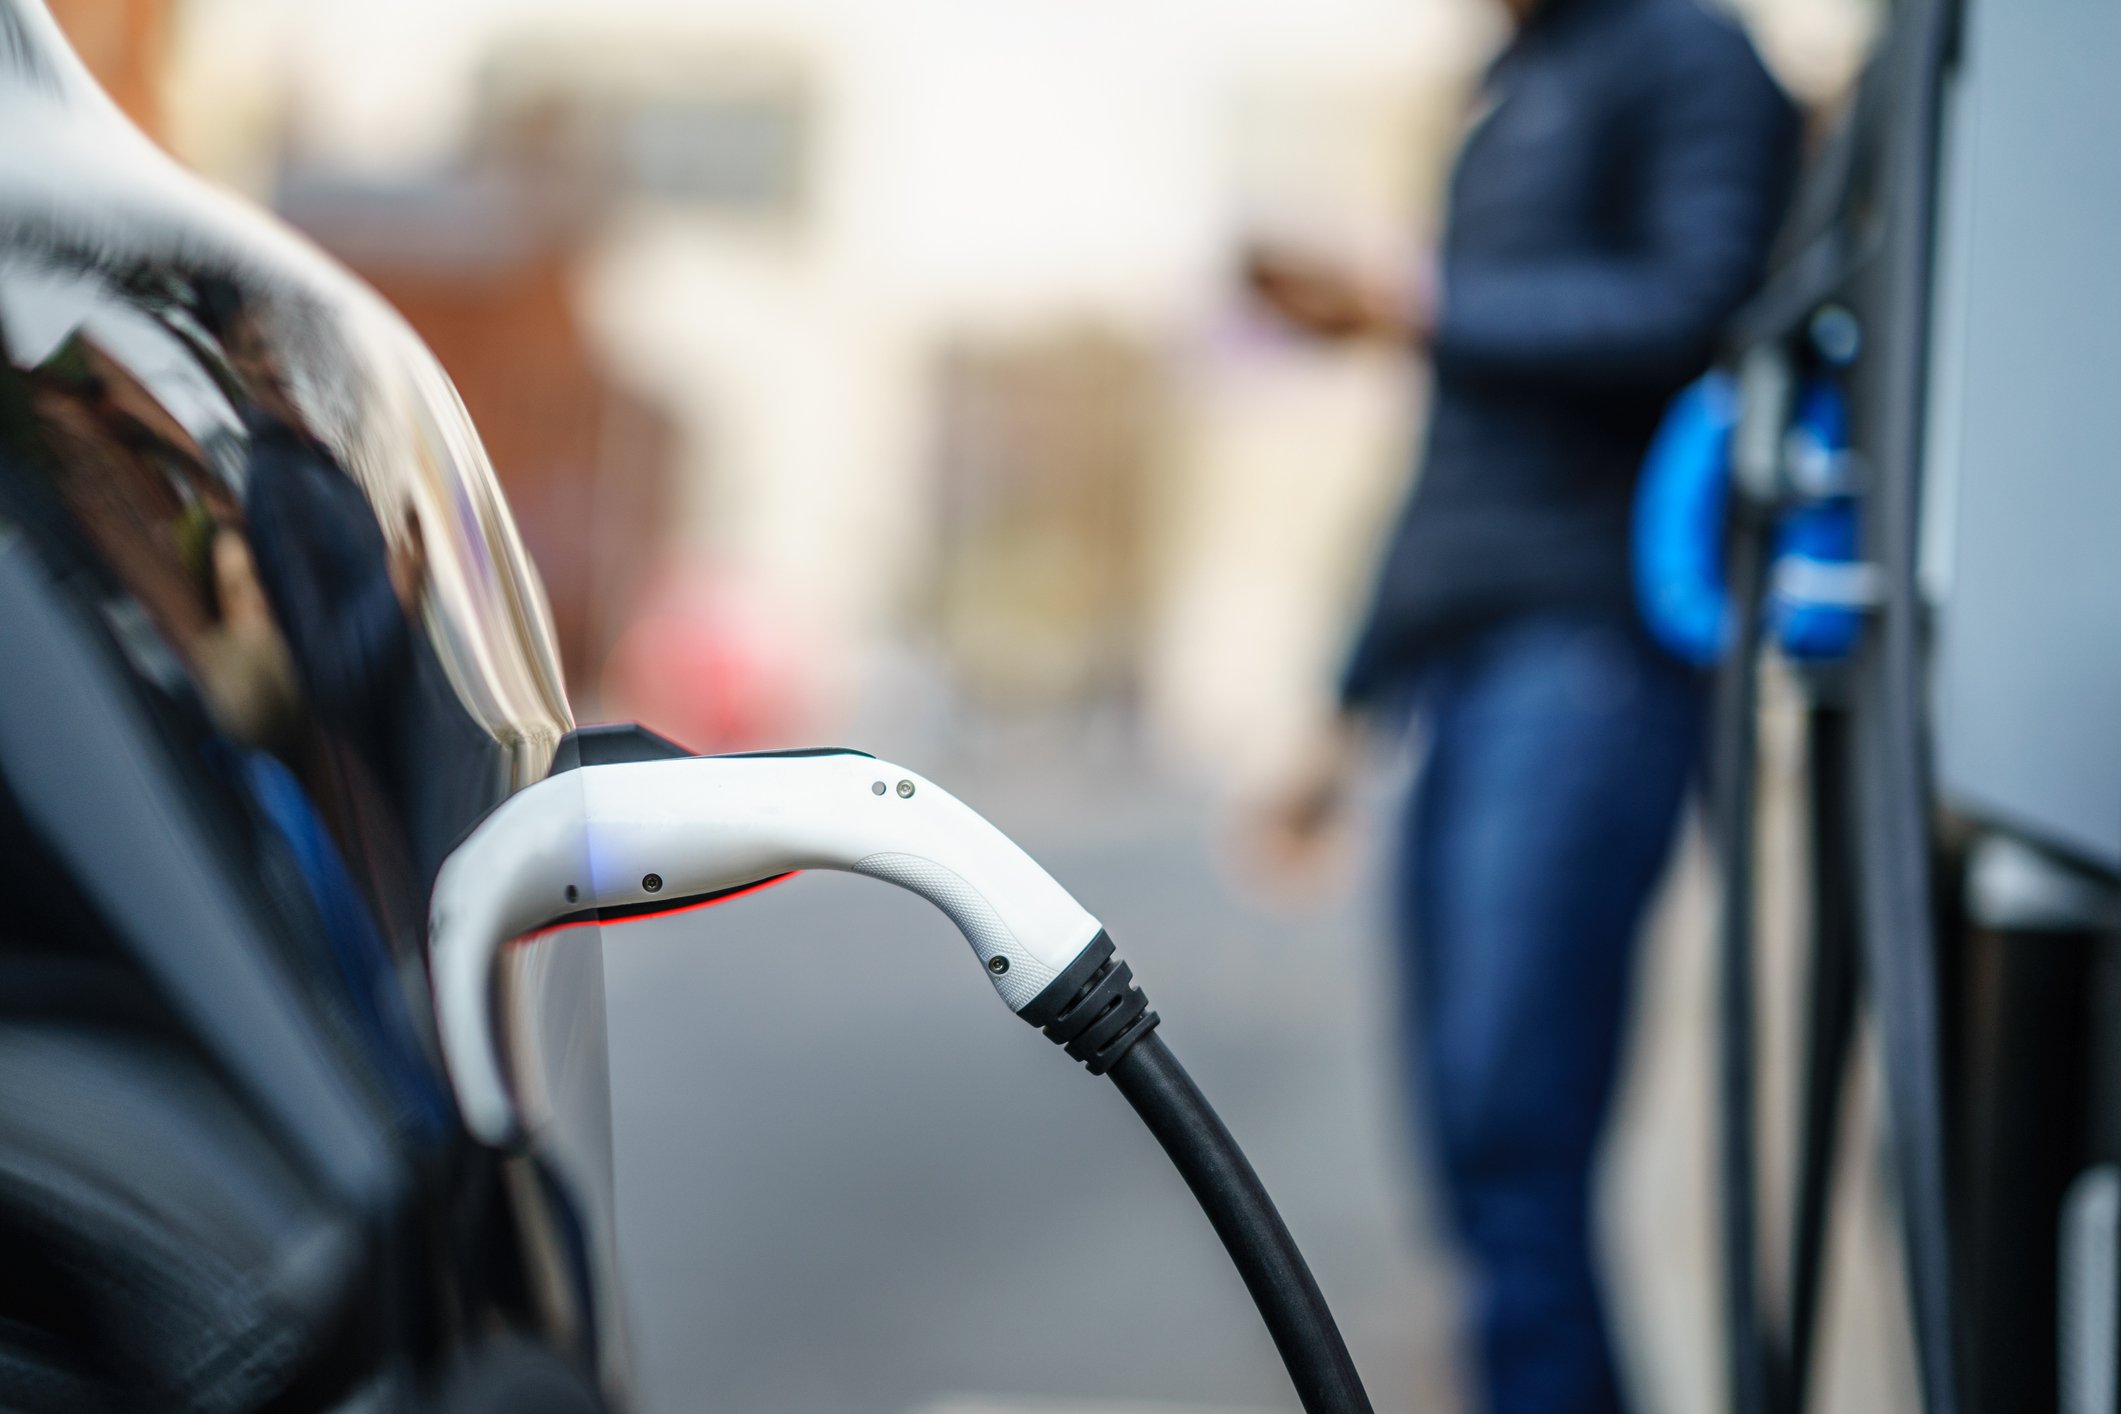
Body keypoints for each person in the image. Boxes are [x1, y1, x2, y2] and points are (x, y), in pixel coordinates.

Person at [1250, 1, 1799, 1411]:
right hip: (1470, 668)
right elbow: (1451, 461)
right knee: (1466, 1142)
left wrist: (1418, 303)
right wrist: (1345, 701)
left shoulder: (1686, 54)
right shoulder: (1509, 90)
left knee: (1513, 1127)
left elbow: (1703, 304)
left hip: (1597, 650)